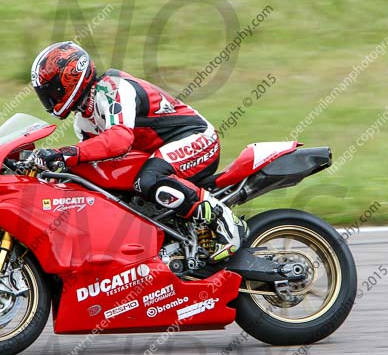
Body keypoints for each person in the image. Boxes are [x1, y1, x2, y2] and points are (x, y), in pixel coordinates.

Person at [30, 41, 246, 262]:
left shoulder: (112, 87)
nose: (49, 98)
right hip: (158, 153)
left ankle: (224, 220)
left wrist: (66, 153)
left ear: (70, 78)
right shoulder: (83, 121)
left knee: (148, 180)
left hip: (196, 138)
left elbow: (119, 139)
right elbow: (94, 162)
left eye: (51, 90)